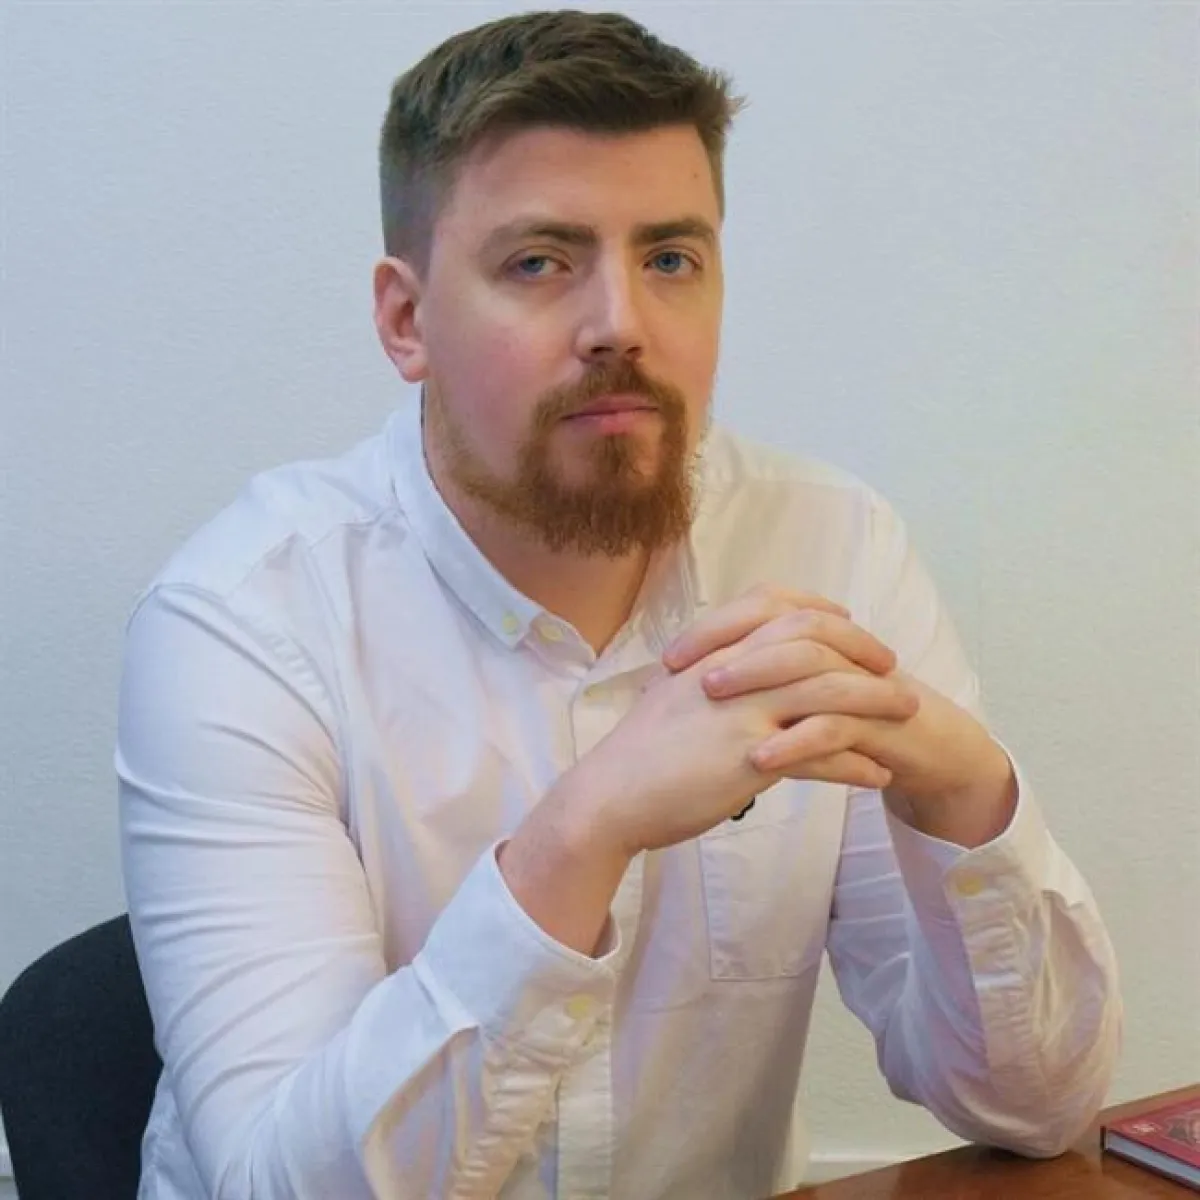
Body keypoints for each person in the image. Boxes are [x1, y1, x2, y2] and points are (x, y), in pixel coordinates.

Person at [116, 10, 1122, 1199]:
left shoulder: (834, 548)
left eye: (670, 260)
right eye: (539, 263)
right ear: (406, 319)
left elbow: (1031, 1109)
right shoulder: (243, 622)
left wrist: (965, 795)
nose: (622, 326)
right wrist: (580, 835)